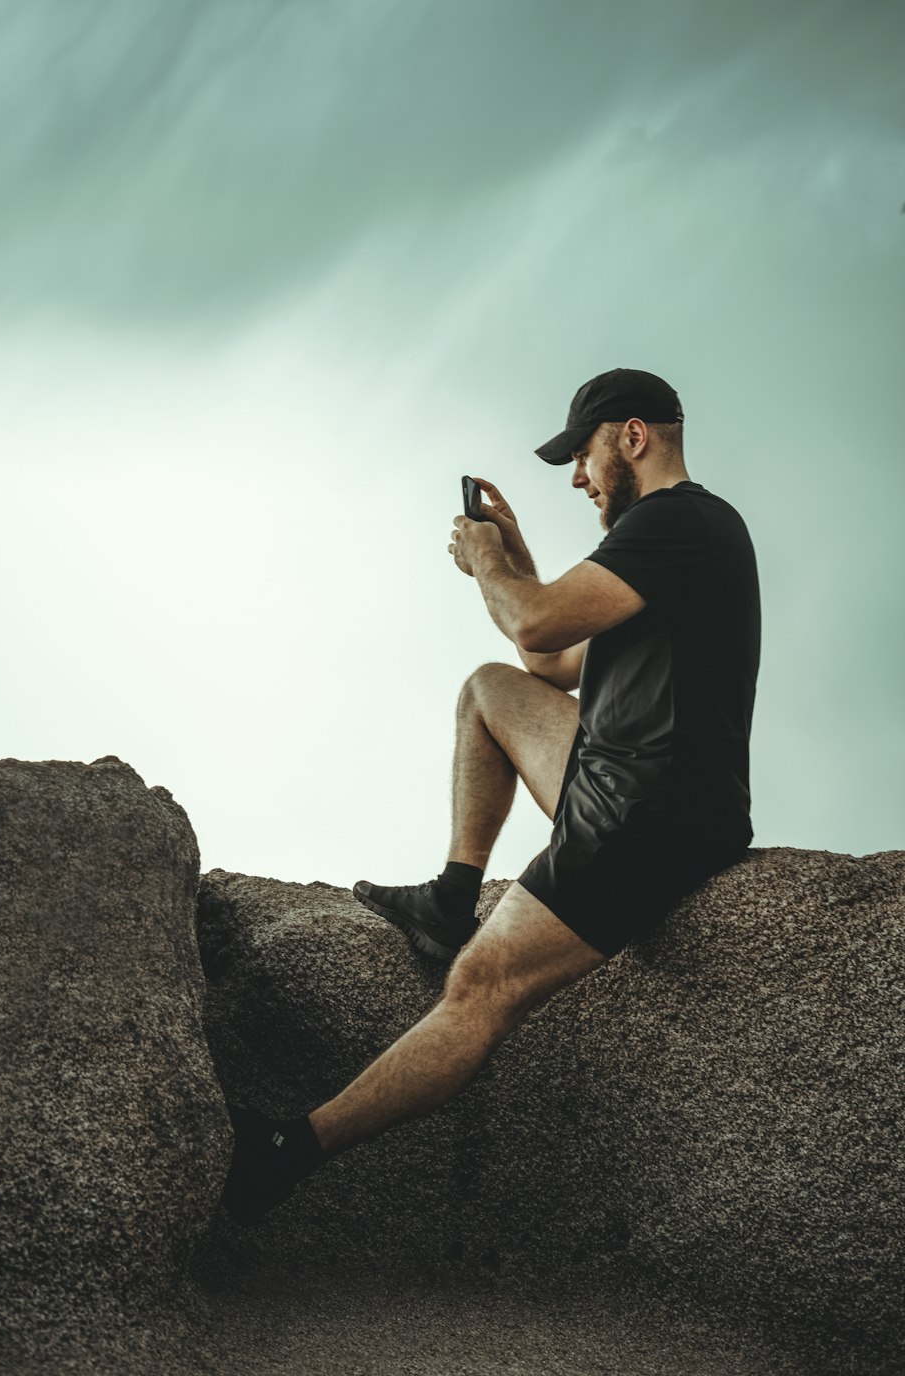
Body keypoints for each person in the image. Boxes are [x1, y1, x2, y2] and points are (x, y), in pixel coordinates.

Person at [221, 367, 761, 1224]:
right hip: (611, 777)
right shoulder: (669, 540)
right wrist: (513, 560)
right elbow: (546, 663)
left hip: (646, 817)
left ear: (632, 436)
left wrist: (484, 565)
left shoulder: (679, 520)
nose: (579, 479)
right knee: (488, 689)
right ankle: (450, 897)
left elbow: (537, 623)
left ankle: (285, 1154)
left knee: (480, 988)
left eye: (582, 457)